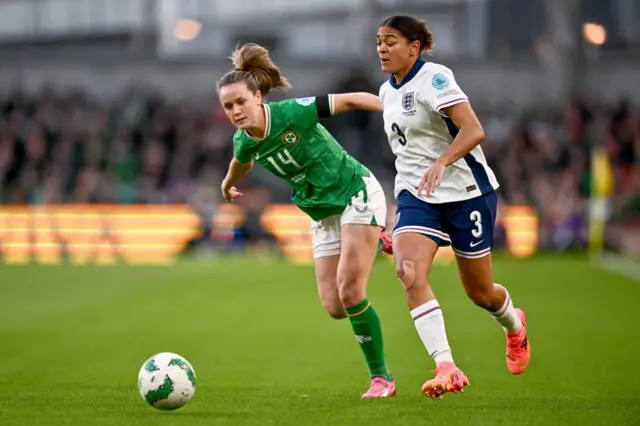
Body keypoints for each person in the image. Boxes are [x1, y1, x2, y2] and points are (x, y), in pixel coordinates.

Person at [218, 43, 395, 398]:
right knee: (334, 307)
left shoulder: (291, 114)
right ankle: (372, 237)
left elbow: (352, 99)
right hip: (321, 212)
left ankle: (381, 379)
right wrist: (227, 185)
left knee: (350, 290)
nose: (235, 111)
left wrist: (395, 108)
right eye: (227, 106)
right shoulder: (244, 141)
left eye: (240, 102)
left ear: (258, 98)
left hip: (354, 192)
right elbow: (241, 162)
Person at [376, 15, 531, 398]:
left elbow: (473, 129)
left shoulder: (435, 77)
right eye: (379, 41)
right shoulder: (385, 91)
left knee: (480, 293)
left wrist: (443, 161)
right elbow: (408, 152)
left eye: (391, 41)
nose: (381, 48)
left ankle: (514, 325)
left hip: (467, 193)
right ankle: (446, 365)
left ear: (414, 47)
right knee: (408, 271)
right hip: (418, 195)